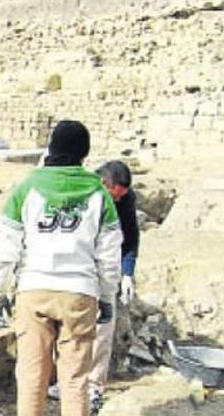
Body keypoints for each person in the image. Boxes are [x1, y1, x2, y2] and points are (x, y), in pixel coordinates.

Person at [0, 120, 123, 416]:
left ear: (51, 147)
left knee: (31, 376)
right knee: (75, 379)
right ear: (84, 152)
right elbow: (109, 257)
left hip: (33, 290)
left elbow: (7, 245)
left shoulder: (27, 187)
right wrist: (108, 297)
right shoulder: (99, 195)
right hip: (79, 292)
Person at [86, 160, 139, 406]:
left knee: (103, 329)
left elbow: (130, 239)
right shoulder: (84, 192)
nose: (115, 203)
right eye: (113, 197)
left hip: (108, 268)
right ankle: (67, 381)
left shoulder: (125, 201)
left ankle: (94, 386)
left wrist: (127, 273)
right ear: (102, 184)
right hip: (80, 265)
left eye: (120, 198)